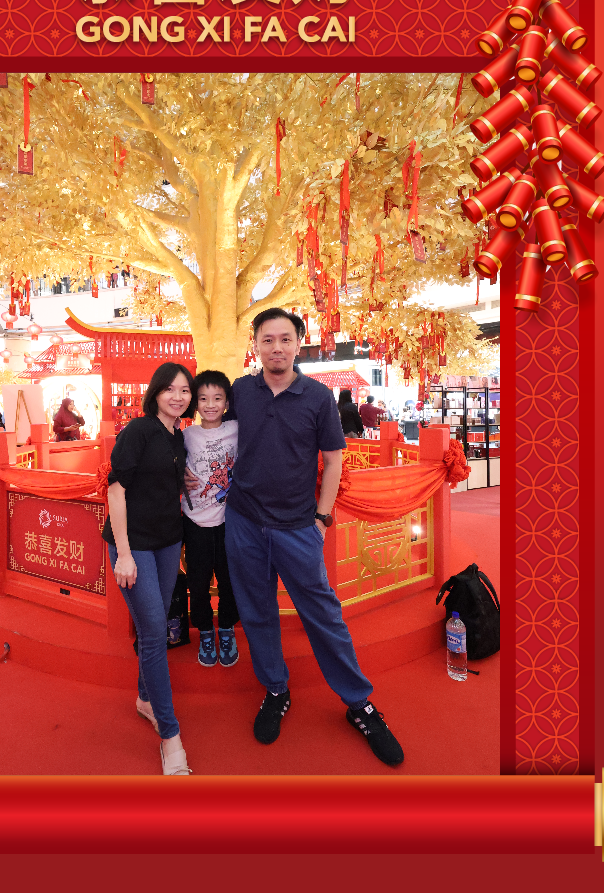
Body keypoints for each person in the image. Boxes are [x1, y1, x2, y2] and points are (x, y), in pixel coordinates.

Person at [216, 308, 404, 766]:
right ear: (255, 345)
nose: (276, 348)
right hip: (244, 521)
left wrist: (321, 518)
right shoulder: (242, 391)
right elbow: (211, 429)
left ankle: (358, 702)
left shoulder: (318, 397)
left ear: (299, 344)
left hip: (298, 526)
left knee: (322, 613)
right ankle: (275, 689)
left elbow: (334, 460)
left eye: (285, 339)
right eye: (267, 340)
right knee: (257, 611)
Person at [101, 362, 195, 776]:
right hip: (134, 545)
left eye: (185, 390)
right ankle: (171, 736)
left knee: (153, 626)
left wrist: (186, 480)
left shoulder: (178, 436)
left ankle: (145, 699)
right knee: (156, 631)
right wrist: (123, 553)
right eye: (170, 389)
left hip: (168, 542)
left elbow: (164, 481)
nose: (178, 396)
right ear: (155, 392)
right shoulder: (137, 431)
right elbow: (116, 490)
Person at [181, 370, 241, 668]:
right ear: (195, 402)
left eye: (217, 398)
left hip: (230, 523)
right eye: (203, 399)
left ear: (227, 402)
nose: (210, 405)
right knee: (198, 583)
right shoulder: (186, 435)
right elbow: (169, 462)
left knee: (231, 581)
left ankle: (227, 628)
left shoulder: (237, 429)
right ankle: (206, 631)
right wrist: (179, 474)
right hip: (195, 523)